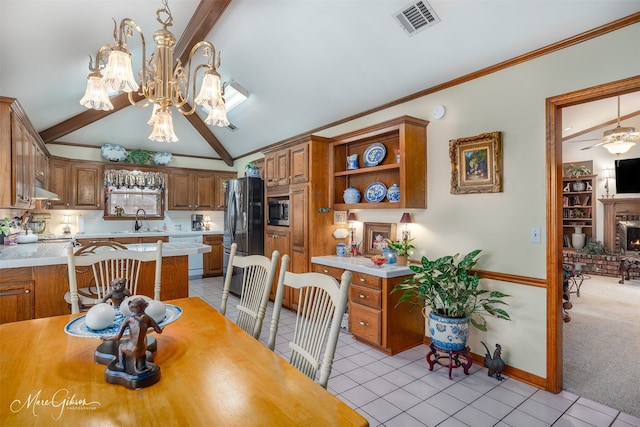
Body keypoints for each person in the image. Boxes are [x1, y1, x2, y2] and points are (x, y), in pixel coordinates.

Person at [102, 297, 162, 374]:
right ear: (146, 306)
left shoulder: (128, 319)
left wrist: (106, 338)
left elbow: (118, 337)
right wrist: (154, 327)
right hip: (142, 349)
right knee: (144, 343)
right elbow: (159, 331)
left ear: (130, 305)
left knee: (121, 347)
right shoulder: (148, 318)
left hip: (131, 349)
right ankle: (143, 366)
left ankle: (121, 365)